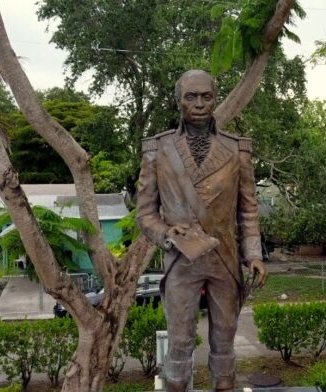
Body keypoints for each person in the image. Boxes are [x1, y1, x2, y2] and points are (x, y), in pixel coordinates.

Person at [136, 69, 267, 392]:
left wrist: (254, 254)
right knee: (179, 344)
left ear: (215, 98)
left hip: (224, 260)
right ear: (179, 101)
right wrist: (166, 234)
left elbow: (247, 209)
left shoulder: (237, 149)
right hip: (181, 261)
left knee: (224, 343)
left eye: (206, 96)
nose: (198, 104)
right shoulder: (158, 149)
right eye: (190, 97)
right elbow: (145, 214)